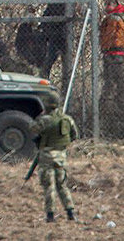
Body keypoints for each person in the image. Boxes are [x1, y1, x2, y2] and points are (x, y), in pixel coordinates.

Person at [29, 92, 78, 223]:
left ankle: (50, 215)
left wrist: (40, 116)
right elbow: (74, 136)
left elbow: (32, 128)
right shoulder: (67, 119)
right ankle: (70, 212)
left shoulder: (44, 120)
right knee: (62, 185)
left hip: (46, 157)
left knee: (49, 186)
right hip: (61, 157)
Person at [40, 0, 73, 88]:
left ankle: (66, 89)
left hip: (63, 37)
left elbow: (64, 19)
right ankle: (45, 85)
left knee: (66, 66)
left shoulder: (68, 2)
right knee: (48, 63)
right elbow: (45, 17)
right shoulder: (54, 3)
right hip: (54, 38)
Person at [99, 0, 124, 137]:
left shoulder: (114, 19)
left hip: (115, 54)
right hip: (114, 53)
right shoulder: (113, 17)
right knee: (116, 84)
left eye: (108, 5)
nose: (106, 7)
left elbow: (109, 38)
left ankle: (112, 107)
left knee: (113, 84)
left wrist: (106, 49)